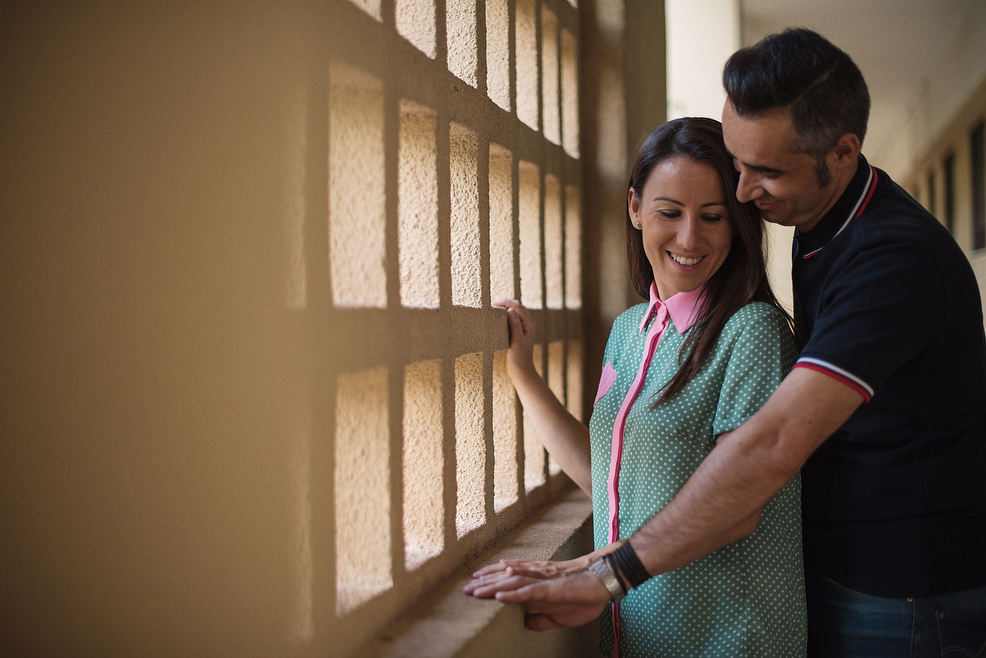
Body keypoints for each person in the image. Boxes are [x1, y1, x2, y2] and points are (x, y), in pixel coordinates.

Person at [466, 28, 986, 657]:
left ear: (843, 154)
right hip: (821, 578)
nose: (741, 193)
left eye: (762, 172)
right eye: (738, 164)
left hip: (901, 597)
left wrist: (604, 572)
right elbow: (619, 478)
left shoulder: (888, 259)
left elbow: (770, 448)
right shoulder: (812, 224)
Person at [468, 116, 806, 656]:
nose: (689, 237)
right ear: (634, 208)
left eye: (713, 217)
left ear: (737, 222)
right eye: (669, 213)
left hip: (726, 637)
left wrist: (591, 570)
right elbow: (608, 475)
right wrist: (522, 374)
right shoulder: (630, 330)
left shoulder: (752, 332)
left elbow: (741, 503)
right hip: (638, 632)